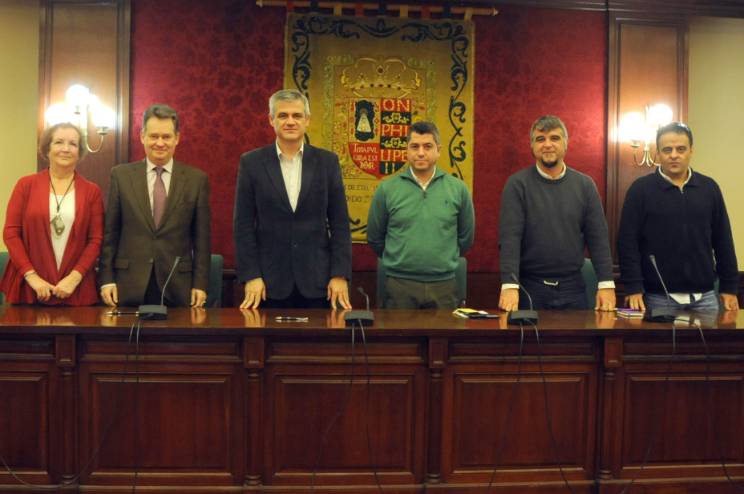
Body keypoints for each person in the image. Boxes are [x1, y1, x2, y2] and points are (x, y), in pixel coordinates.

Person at [234, 89, 352, 310]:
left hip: (319, 282)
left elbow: (340, 223)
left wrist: (339, 274)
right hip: (266, 284)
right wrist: (251, 275)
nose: (290, 122)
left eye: (297, 115)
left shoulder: (327, 162)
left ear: (307, 120)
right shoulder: (251, 163)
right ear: (271, 120)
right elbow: (243, 225)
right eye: (283, 115)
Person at [498, 115, 616, 311]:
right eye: (540, 139)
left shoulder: (585, 185)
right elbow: (510, 238)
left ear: (565, 143)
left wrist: (606, 284)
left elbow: (598, 239)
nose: (547, 145)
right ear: (532, 146)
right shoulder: (517, 185)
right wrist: (509, 285)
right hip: (529, 288)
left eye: (554, 138)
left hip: (573, 288)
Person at [617, 122, 739, 312]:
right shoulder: (640, 190)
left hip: (705, 298)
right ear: (658, 153)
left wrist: (729, 287)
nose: (674, 155)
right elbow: (627, 243)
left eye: (681, 149)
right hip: (658, 297)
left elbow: (723, 240)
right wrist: (633, 287)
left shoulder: (709, 188)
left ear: (691, 151)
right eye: (667, 150)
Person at [99, 104, 210, 308]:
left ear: (177, 138)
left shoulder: (196, 180)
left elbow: (202, 239)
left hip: (178, 285)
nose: (160, 143)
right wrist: (106, 279)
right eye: (154, 136)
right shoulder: (121, 176)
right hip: (128, 284)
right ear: (142, 136)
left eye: (166, 137)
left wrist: (200, 284)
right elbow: (110, 234)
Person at [367, 121, 475, 309]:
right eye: (415, 146)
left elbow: (466, 238)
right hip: (399, 286)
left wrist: (442, 259)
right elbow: (375, 238)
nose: (421, 153)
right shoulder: (387, 189)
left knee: (445, 330)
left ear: (439, 150)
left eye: (428, 146)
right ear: (406, 150)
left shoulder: (458, 189)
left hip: (444, 286)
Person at [1, 123, 104, 305]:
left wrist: (74, 278)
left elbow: (96, 240)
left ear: (79, 151)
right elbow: (11, 233)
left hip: (76, 290)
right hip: (29, 289)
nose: (66, 149)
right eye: (58, 142)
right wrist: (32, 277)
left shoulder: (92, 191)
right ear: (47, 148)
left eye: (73, 144)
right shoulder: (25, 185)